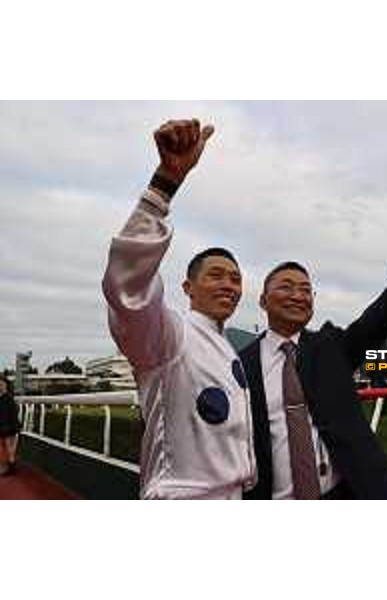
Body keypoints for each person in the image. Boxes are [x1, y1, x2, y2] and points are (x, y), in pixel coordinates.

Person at [240, 213, 387, 499]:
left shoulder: (331, 347)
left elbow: (378, 319)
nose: (298, 296)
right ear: (263, 300)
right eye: (286, 287)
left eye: (305, 289)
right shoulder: (240, 366)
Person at [102, 119, 256, 499]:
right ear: (188, 287)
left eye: (236, 279)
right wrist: (163, 185)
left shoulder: (224, 345)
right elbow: (127, 288)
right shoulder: (171, 334)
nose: (229, 286)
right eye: (217, 276)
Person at [0, 375, 20, 476]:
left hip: (9, 427)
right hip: (3, 427)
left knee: (9, 449)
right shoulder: (2, 398)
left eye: (2, 384)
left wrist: (15, 428)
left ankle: (11, 469)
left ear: (6, 385)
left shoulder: (9, 398)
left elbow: (13, 414)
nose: (0, 386)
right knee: (4, 448)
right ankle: (8, 467)